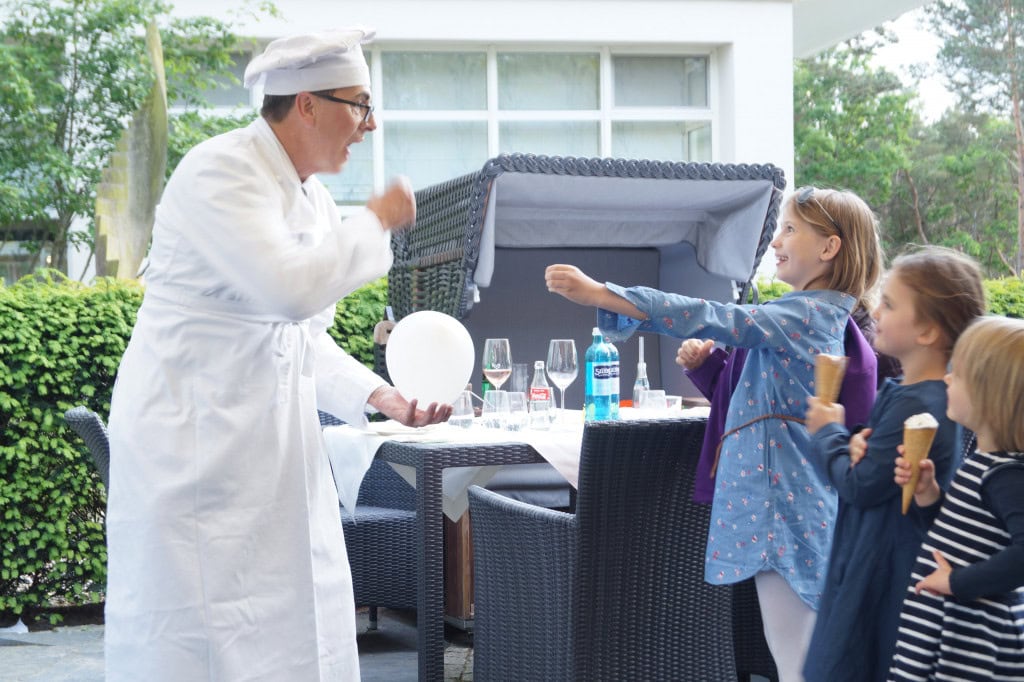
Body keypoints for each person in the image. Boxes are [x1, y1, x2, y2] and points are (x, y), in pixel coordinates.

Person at [104, 27, 451, 681]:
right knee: (203, 644)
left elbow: (298, 337)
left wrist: (381, 397)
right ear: (308, 105)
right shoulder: (220, 170)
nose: (370, 126)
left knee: (293, 636)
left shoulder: (313, 197)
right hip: (198, 452)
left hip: (271, 454)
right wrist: (375, 219)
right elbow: (289, 290)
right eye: (360, 105)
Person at [545, 185, 884, 682]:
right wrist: (710, 369)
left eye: (790, 229)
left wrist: (605, 295)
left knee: (798, 656)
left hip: (783, 509)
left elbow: (717, 316)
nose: (776, 241)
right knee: (796, 648)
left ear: (829, 248)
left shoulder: (808, 313)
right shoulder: (806, 314)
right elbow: (765, 398)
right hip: (786, 505)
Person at [800, 246, 986, 682]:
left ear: (927, 331)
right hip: (874, 556)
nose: (876, 310)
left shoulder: (922, 402)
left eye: (890, 303)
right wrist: (855, 443)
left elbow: (860, 486)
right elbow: (874, 471)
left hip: (882, 568)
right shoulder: (911, 392)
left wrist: (827, 432)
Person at [888, 316, 1024, 681]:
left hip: (972, 642)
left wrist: (957, 583)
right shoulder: (984, 463)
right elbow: (963, 540)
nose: (947, 378)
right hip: (947, 630)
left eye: (958, 374)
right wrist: (929, 494)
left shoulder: (1006, 476)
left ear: (990, 394)